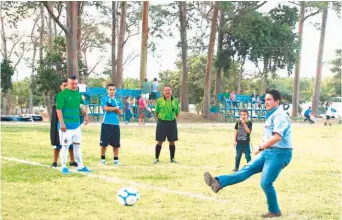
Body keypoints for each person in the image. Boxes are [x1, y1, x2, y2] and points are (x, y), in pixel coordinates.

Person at [204, 89, 292, 218]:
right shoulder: (271, 114)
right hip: (269, 151)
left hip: (280, 153)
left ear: (277, 102)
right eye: (265, 99)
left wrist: (260, 147)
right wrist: (263, 148)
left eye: (269, 99)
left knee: (266, 183)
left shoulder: (280, 115)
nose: (265, 102)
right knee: (246, 170)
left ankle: (274, 211)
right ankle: (218, 182)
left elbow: (278, 136)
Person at [56, 76, 91, 174]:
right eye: (73, 84)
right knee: (65, 146)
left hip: (76, 126)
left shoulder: (77, 94)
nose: (75, 85)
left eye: (76, 83)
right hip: (66, 127)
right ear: (67, 84)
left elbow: (82, 106)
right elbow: (58, 110)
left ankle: (81, 166)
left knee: (77, 146)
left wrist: (86, 116)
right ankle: (63, 166)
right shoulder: (62, 95)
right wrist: (62, 124)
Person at [50, 79, 77, 168]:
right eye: (64, 85)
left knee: (71, 143)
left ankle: (72, 160)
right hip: (59, 122)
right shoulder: (58, 96)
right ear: (61, 87)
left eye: (67, 85)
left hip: (70, 123)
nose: (66, 87)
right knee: (58, 143)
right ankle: (55, 161)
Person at [153, 85, 180, 164]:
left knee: (172, 141)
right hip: (162, 122)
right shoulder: (159, 101)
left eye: (169, 90)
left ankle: (172, 159)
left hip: (172, 122)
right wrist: (160, 120)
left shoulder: (175, 100)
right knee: (160, 141)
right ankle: (157, 158)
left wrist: (174, 120)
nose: (167, 92)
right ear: (163, 92)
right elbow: (156, 112)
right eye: (166, 90)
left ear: (171, 91)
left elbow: (177, 112)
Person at [99, 83, 123, 165]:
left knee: (116, 144)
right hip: (106, 123)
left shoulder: (118, 101)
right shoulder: (104, 98)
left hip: (115, 124)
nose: (112, 91)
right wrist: (116, 108)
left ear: (115, 90)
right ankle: (102, 160)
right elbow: (106, 108)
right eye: (110, 89)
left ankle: (116, 160)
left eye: (113, 89)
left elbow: (120, 112)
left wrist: (114, 108)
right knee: (104, 143)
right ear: (107, 90)